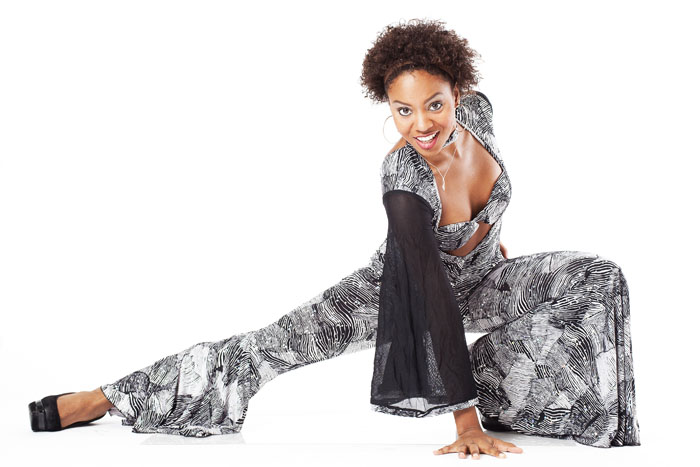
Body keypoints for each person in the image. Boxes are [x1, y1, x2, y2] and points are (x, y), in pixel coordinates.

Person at [28, 18, 640, 459]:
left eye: (434, 104)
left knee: (597, 276)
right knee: (262, 351)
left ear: (458, 92)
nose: (421, 124)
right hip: (397, 293)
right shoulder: (404, 181)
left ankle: (526, 396)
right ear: (387, 107)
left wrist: (490, 239)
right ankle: (104, 398)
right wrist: (465, 422)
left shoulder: (479, 113)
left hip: (484, 276)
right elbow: (428, 297)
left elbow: (486, 196)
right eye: (403, 110)